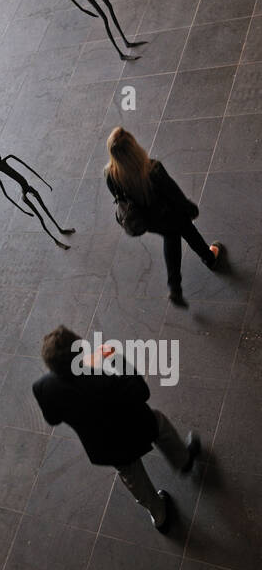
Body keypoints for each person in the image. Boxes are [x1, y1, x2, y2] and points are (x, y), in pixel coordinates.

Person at [34, 326, 201, 532]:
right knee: (158, 422)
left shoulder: (43, 387)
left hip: (104, 444)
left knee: (131, 475)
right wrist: (117, 358)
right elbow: (141, 391)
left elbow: (53, 419)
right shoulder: (102, 382)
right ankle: (183, 460)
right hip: (134, 425)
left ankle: (159, 515)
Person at [104, 127, 224, 307]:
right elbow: (174, 194)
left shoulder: (110, 174)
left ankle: (175, 287)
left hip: (148, 221)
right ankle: (209, 258)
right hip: (170, 214)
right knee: (189, 233)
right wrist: (190, 208)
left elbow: (119, 197)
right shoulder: (152, 169)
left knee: (171, 238)